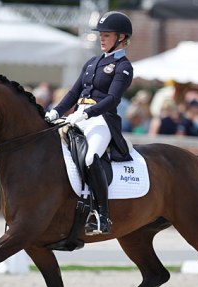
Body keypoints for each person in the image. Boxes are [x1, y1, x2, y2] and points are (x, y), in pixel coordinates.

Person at [45, 11, 134, 235]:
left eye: (107, 35)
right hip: (78, 116)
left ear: (121, 37)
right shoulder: (92, 62)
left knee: (90, 157)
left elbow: (113, 99)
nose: (101, 39)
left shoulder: (123, 66)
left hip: (101, 120)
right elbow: (74, 92)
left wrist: (86, 114)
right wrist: (55, 112)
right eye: (101, 35)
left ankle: (102, 215)